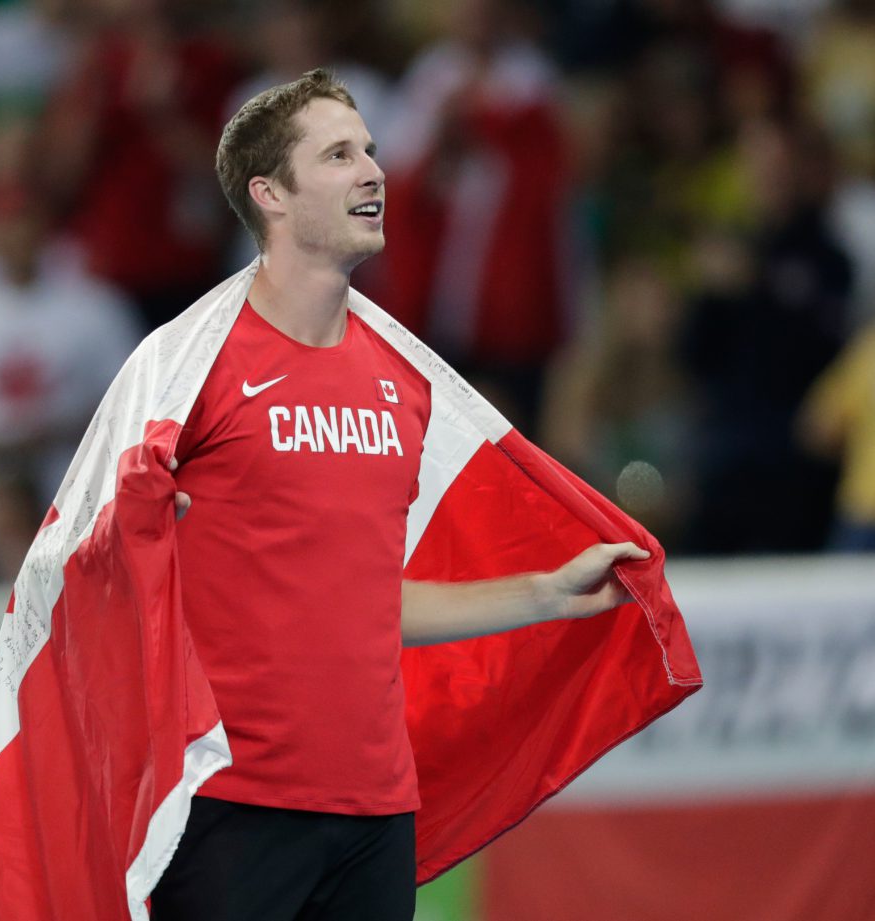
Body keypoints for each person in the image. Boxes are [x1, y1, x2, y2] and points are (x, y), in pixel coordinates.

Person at [147, 69, 649, 920]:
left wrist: (545, 593)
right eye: (339, 154)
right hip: (231, 805)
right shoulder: (186, 366)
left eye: (371, 150)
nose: (373, 171)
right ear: (270, 194)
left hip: (378, 809)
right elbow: (94, 556)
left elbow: (364, 600)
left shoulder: (402, 382)